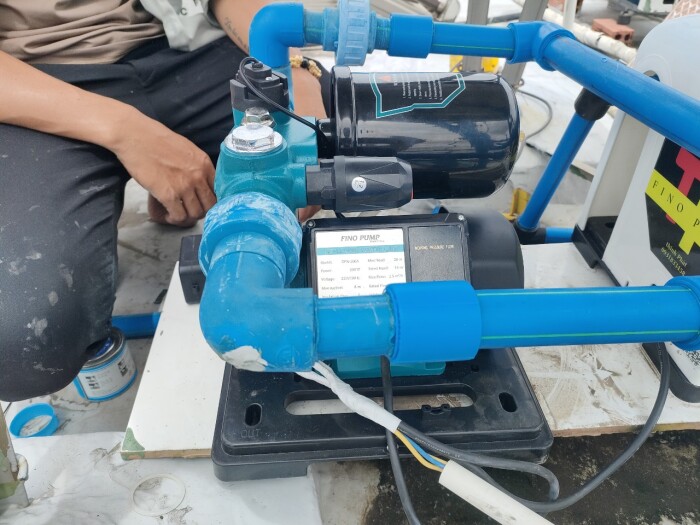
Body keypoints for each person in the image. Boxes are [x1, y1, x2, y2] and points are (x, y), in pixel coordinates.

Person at [0, 0, 327, 401]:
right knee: (23, 344)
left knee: (350, 140)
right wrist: (127, 131)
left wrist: (291, 71)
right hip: (40, 79)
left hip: (192, 48)